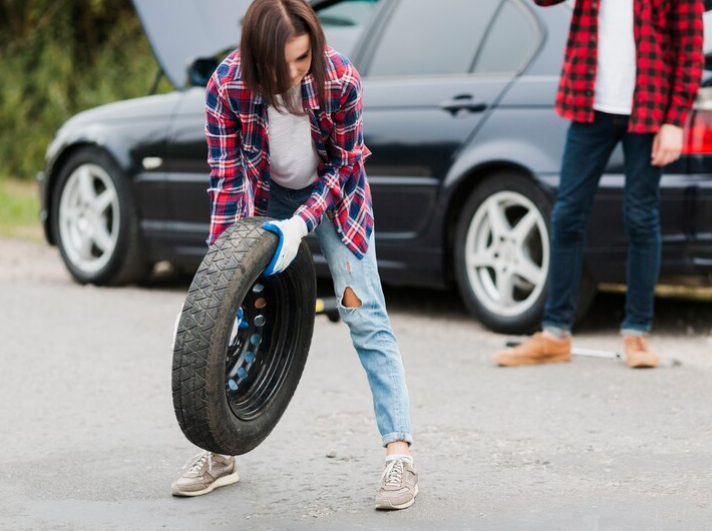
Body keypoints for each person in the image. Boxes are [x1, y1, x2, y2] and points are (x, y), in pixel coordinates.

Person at [170, 0, 417, 510]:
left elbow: (347, 164)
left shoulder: (340, 78)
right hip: (264, 201)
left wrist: (304, 222)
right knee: (229, 323)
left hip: (334, 200)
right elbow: (224, 183)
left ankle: (399, 458)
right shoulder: (226, 85)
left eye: (302, 59)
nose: (293, 74)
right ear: (255, 57)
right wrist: (216, 284)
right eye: (279, 65)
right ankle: (219, 454)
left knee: (365, 317)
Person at [495, 0, 704, 368]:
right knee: (567, 215)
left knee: (641, 217)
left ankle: (637, 334)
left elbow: (689, 48)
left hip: (649, 109)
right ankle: (555, 334)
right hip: (589, 106)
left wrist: (675, 120)